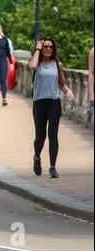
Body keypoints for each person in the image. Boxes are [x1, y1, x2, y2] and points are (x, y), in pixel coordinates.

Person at [29, 37, 75, 179]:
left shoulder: (58, 64)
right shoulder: (36, 64)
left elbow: (61, 84)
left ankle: (53, 167)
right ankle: (37, 157)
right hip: (39, 103)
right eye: (45, 47)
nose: (48, 49)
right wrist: (37, 48)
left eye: (51, 47)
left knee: (53, 134)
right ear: (41, 48)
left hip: (54, 102)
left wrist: (68, 90)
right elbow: (32, 66)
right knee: (40, 137)